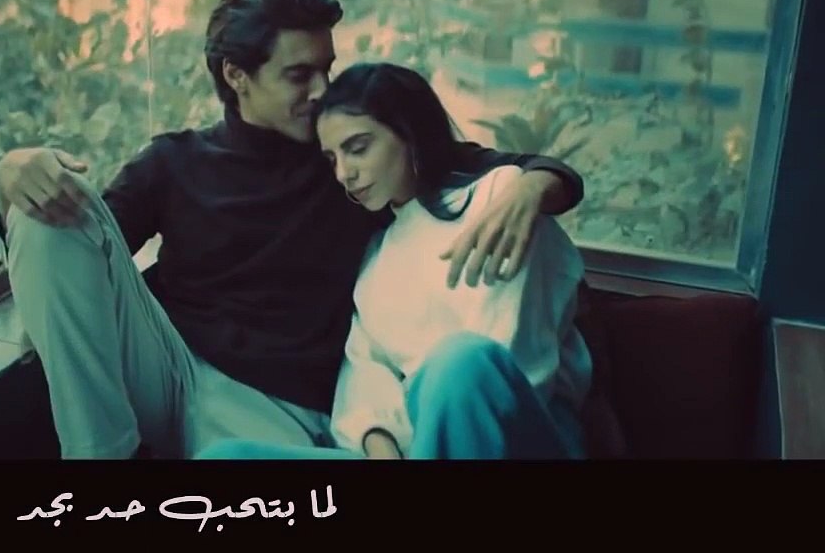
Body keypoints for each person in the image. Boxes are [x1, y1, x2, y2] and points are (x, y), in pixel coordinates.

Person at [0, 0, 586, 459]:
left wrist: (531, 187)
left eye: (327, 68)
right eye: (300, 75)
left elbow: (522, 168)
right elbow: (77, 253)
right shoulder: (173, 161)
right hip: (170, 371)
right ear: (237, 76)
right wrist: (10, 175)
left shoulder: (357, 157)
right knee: (47, 217)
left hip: (281, 409)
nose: (323, 90)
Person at [195, 62, 593, 461]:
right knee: (226, 458)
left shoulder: (499, 202)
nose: (344, 173)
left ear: (409, 133)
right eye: (332, 158)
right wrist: (380, 442)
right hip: (411, 448)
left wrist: (534, 185)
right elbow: (363, 379)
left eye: (358, 148)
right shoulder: (376, 257)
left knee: (461, 362)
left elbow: (511, 368)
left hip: (514, 440)